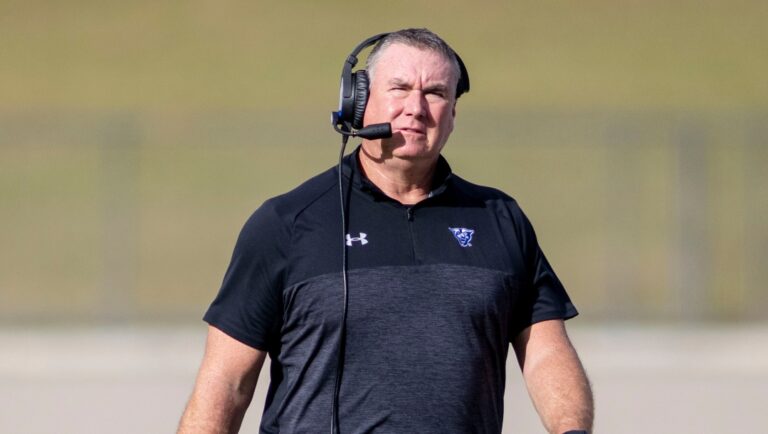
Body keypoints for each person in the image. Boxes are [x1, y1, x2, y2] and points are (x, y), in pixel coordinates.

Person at [178, 28, 593, 434]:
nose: (416, 107)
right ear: (358, 102)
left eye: (435, 93)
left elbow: (545, 352)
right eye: (399, 88)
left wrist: (572, 428)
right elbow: (226, 384)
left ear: (452, 114)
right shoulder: (286, 223)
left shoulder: (499, 218)